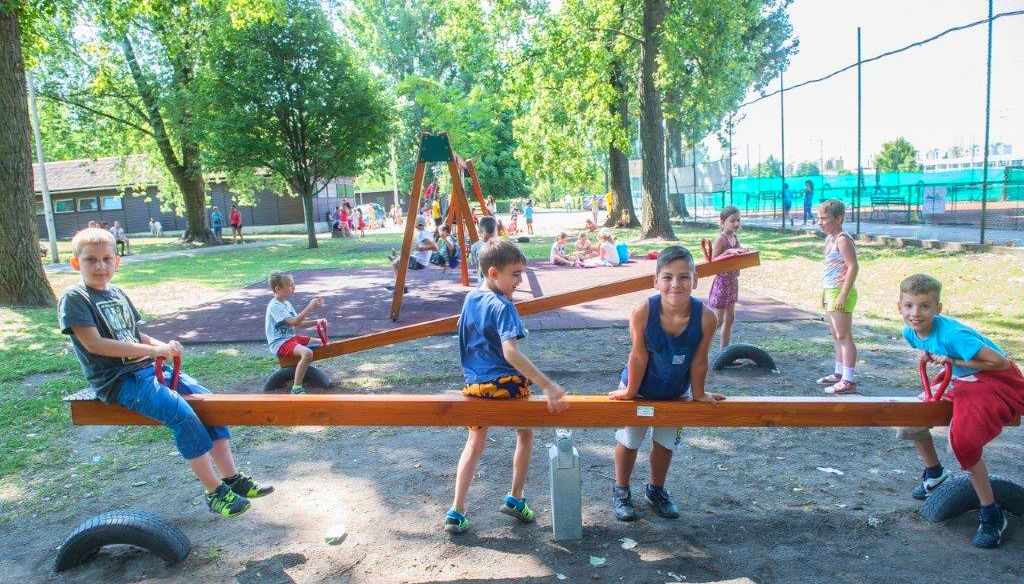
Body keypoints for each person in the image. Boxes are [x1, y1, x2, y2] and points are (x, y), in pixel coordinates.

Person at [58, 228, 273, 517]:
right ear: (76, 263)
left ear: (117, 261)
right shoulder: (75, 297)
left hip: (148, 369)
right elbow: (95, 344)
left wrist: (163, 346)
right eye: (91, 260)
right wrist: (152, 352)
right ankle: (214, 491)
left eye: (107, 259)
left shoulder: (117, 293)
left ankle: (231, 477)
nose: (100, 266)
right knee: (181, 414)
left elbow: (135, 335)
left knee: (210, 404)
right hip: (120, 380)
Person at [444, 240, 569, 534]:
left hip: (476, 388)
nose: (519, 280)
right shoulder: (503, 306)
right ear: (493, 273)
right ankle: (515, 497)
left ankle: (456, 510)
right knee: (525, 434)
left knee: (474, 444)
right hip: (505, 387)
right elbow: (510, 353)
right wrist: (547, 385)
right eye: (515, 274)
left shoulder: (470, 299)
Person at [894, 274, 1024, 548]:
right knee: (909, 421)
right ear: (899, 306)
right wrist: (933, 358)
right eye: (909, 306)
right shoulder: (909, 331)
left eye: (925, 306)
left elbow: (1001, 363)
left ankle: (991, 512)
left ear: (938, 308)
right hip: (959, 379)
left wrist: (953, 360)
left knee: (962, 443)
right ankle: (935, 473)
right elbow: (931, 349)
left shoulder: (955, 335)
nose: (915, 313)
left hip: (991, 381)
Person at [607, 245, 722, 521]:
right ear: (656, 281)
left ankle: (655, 490)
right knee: (630, 439)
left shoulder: (707, 317)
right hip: (640, 388)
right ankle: (621, 490)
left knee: (665, 443)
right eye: (667, 277)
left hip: (675, 391)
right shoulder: (643, 312)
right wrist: (630, 392)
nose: (675, 284)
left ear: (695, 280)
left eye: (684, 277)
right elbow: (638, 355)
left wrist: (699, 393)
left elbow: (699, 359)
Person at [816, 199, 859, 394]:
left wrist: (843, 294)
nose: (820, 222)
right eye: (819, 218)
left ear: (839, 219)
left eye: (824, 218)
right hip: (830, 291)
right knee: (836, 336)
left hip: (840, 291)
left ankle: (848, 380)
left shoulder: (843, 239)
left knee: (844, 336)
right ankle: (839, 373)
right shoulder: (830, 238)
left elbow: (853, 267)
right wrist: (825, 293)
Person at [265, 273, 326, 395]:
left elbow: (299, 324)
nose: (294, 287)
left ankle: (301, 368)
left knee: (322, 343)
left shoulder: (286, 304)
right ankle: (296, 388)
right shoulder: (274, 306)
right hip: (280, 343)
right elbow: (294, 322)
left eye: (293, 284)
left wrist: (316, 322)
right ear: (278, 288)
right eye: (290, 285)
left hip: (290, 339)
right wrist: (309, 307)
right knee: (307, 353)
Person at [707, 206, 749, 348]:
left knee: (730, 319)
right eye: (732, 221)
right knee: (718, 320)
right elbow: (713, 262)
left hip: (732, 282)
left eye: (738, 220)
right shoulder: (721, 239)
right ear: (723, 222)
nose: (736, 223)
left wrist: (743, 253)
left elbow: (737, 258)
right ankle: (701, 347)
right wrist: (728, 252)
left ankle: (724, 351)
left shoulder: (735, 239)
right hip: (722, 282)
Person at [387, 216, 438, 291]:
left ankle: (400, 286)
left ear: (415, 224)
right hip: (420, 261)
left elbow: (435, 248)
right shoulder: (428, 233)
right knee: (399, 261)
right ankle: (401, 284)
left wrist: (421, 249)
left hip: (418, 262)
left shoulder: (422, 235)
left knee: (394, 264)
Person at [469, 215, 497, 284]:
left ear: (496, 232)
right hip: (482, 283)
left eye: (492, 238)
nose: (489, 241)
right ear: (479, 232)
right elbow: (476, 265)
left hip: (498, 284)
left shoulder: (501, 247)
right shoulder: (475, 247)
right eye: (486, 238)